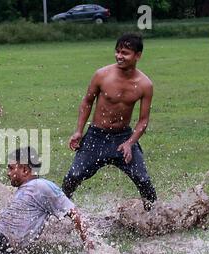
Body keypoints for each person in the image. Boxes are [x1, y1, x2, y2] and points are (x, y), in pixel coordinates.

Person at [62, 33, 157, 211]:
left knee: (143, 180)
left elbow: (143, 120)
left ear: (138, 55)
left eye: (125, 53)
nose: (119, 56)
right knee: (73, 176)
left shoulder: (145, 84)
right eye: (118, 51)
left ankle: (155, 217)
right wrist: (78, 131)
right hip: (96, 136)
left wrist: (130, 143)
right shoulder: (102, 75)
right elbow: (87, 101)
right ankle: (59, 213)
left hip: (123, 139)